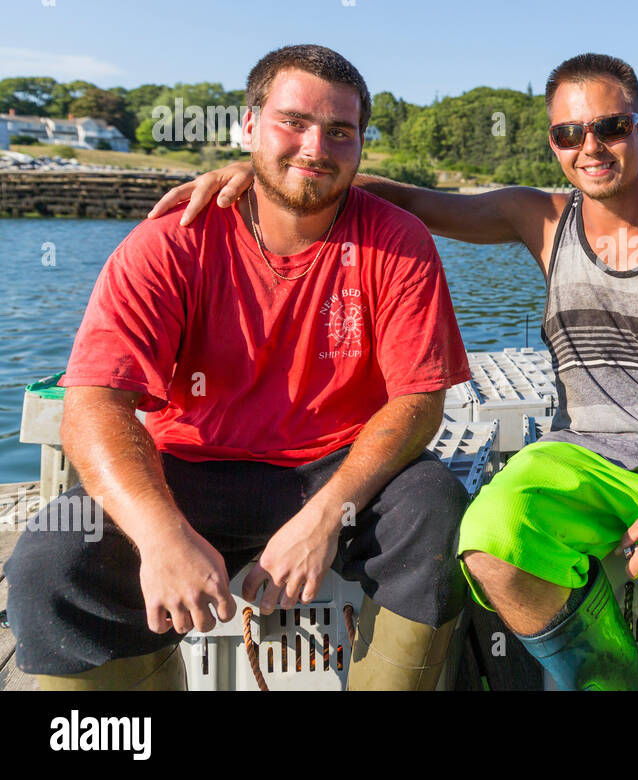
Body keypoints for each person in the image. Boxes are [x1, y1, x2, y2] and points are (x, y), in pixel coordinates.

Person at [163, 52, 638, 691]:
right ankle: (611, 680)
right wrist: (263, 171)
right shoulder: (540, 219)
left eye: (611, 127)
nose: (590, 146)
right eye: (570, 132)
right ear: (553, 143)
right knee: (485, 541)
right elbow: (412, 201)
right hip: (582, 459)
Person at [5, 44, 472, 690]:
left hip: (338, 467)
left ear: (362, 144)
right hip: (190, 470)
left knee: (437, 512)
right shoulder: (171, 242)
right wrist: (161, 535)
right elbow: (95, 404)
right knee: (52, 561)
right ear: (248, 127)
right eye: (294, 122)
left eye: (340, 132)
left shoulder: (397, 242)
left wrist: (325, 517)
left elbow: (417, 400)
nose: (316, 146)